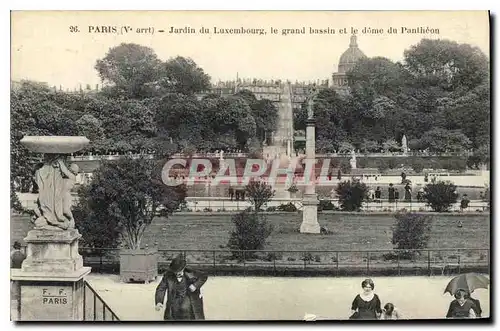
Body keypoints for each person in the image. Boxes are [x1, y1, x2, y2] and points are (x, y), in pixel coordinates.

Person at [155, 254, 208, 320]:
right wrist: (159, 301)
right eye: (175, 271)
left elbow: (204, 276)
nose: (177, 273)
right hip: (174, 303)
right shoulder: (168, 275)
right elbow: (161, 288)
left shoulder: (192, 272)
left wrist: (195, 285)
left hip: (189, 302)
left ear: (183, 268)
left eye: (178, 271)